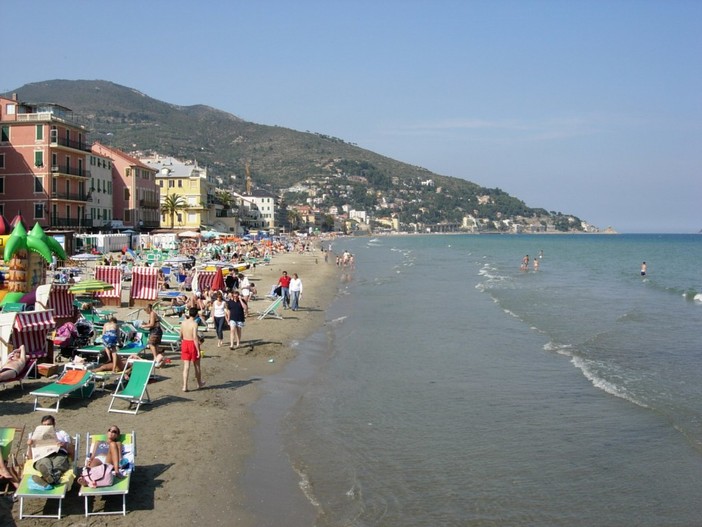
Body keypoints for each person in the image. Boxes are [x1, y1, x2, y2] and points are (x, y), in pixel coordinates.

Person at [27, 415, 74, 487]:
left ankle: (46, 480)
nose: (46, 427)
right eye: (44, 425)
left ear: (54, 424)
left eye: (49, 425)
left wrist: (64, 445)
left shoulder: (61, 433)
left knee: (58, 463)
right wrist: (30, 445)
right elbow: (30, 457)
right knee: (44, 463)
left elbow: (71, 450)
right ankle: (51, 478)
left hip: (59, 453)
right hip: (42, 455)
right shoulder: (36, 435)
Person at [180, 307, 205, 392]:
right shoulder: (194, 324)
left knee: (186, 366)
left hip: (185, 343)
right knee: (197, 365)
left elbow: (181, 334)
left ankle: (184, 386)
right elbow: (194, 337)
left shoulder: (183, 322)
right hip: (192, 344)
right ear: (196, 314)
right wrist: (198, 349)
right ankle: (199, 383)